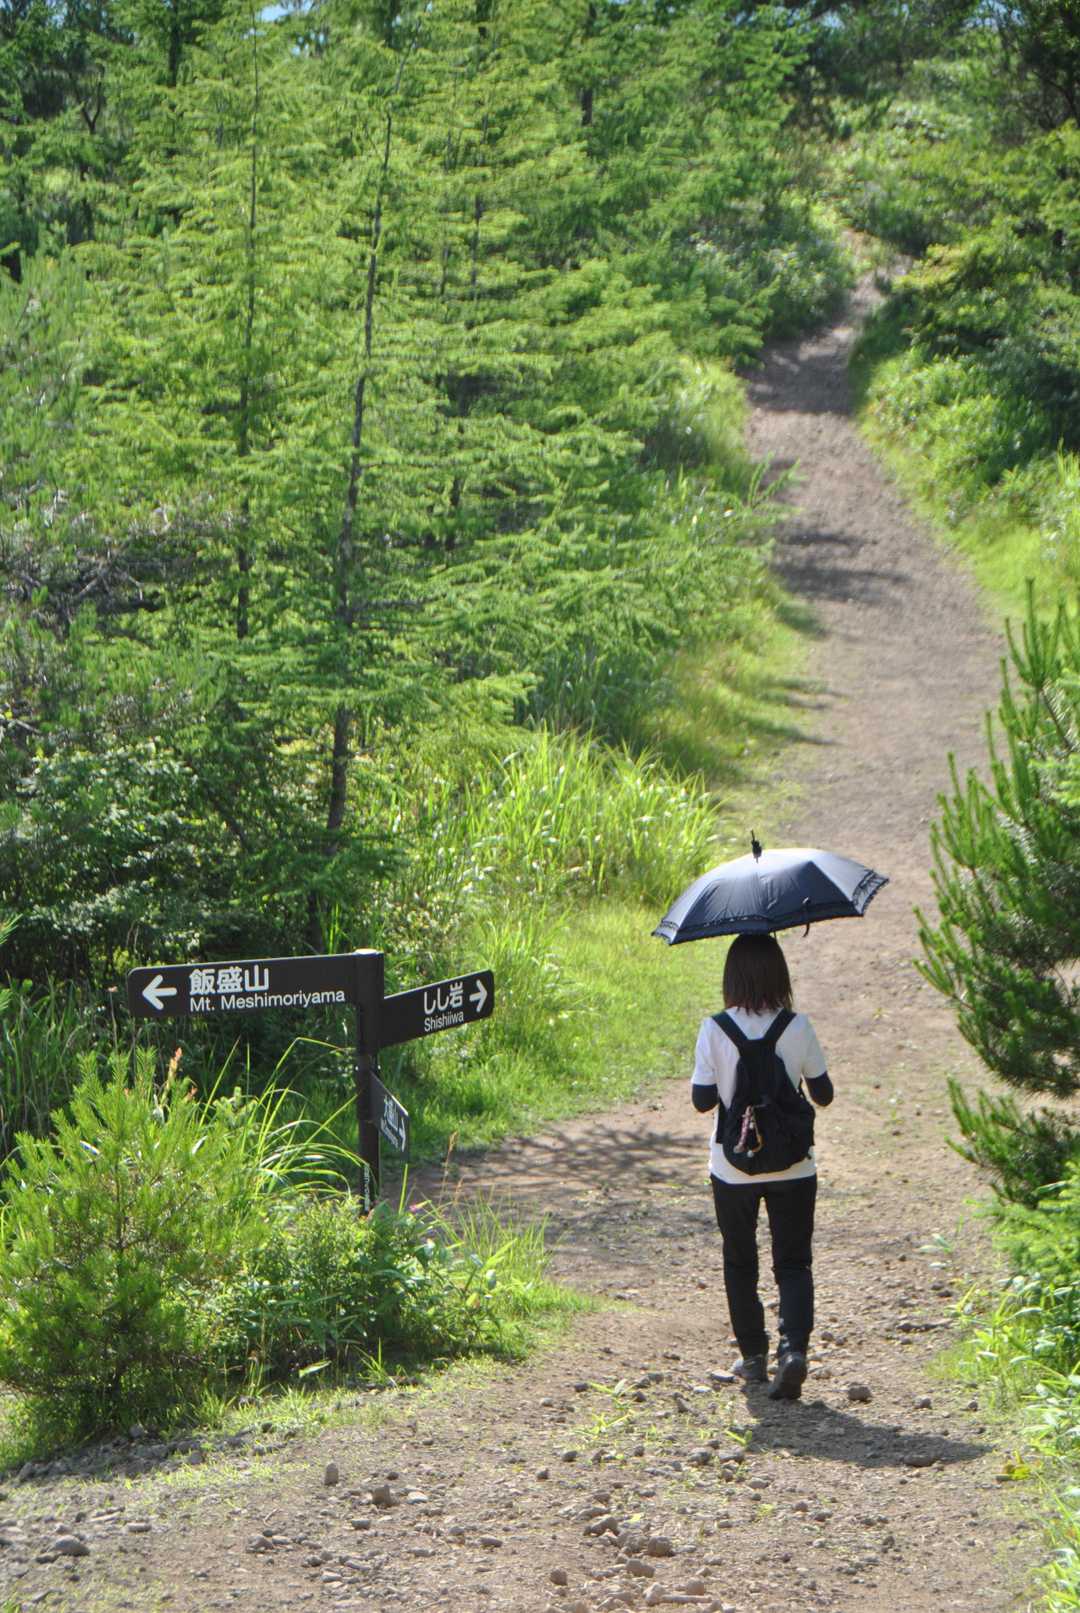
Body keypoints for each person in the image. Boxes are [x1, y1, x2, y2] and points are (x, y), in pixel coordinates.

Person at [690, 932, 834, 1401]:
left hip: (732, 1167)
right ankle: (793, 1352)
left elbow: (702, 1101)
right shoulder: (798, 1025)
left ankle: (753, 1356)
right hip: (794, 1165)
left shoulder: (714, 1029)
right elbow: (824, 1094)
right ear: (780, 976)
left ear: (731, 978)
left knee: (739, 1259)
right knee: (793, 1261)